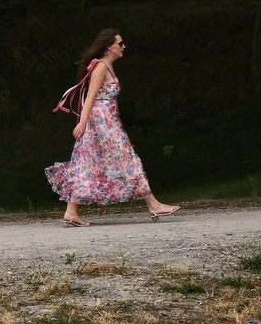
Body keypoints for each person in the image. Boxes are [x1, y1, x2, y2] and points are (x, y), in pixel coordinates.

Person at [48, 29, 179, 225]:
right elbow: (90, 97)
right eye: (120, 43)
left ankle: (71, 212)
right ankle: (153, 204)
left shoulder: (107, 66)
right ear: (109, 47)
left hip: (106, 120)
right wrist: (83, 122)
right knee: (126, 157)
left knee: (87, 162)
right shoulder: (101, 67)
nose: (123, 47)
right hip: (101, 123)